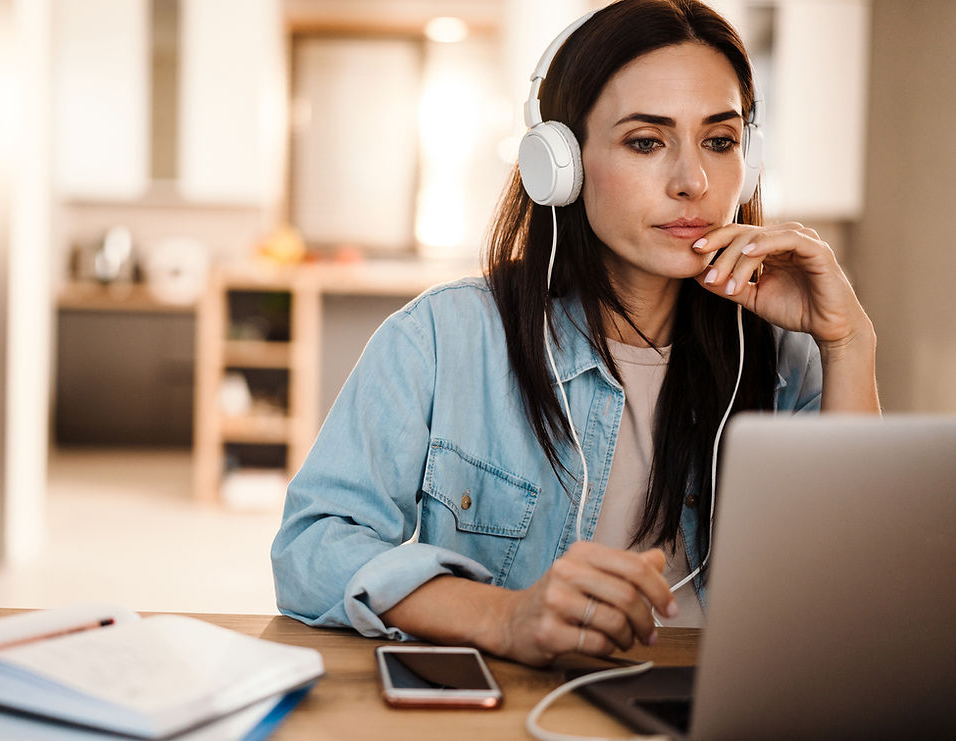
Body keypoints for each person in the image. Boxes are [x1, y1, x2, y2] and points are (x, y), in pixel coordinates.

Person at [271, 0, 881, 668]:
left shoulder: (783, 356)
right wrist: (503, 617)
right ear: (559, 163)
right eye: (646, 141)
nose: (694, 182)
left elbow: (859, 596)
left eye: (720, 140)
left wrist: (848, 343)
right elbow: (312, 548)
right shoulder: (443, 339)